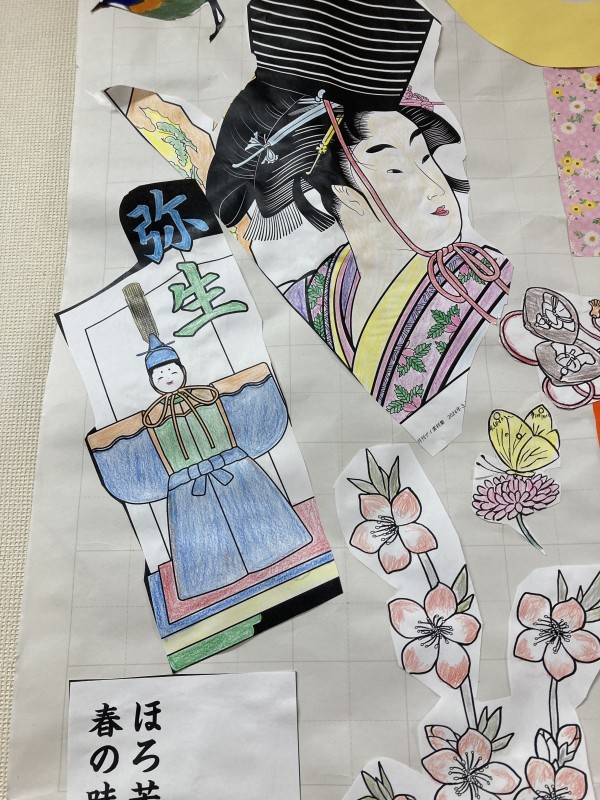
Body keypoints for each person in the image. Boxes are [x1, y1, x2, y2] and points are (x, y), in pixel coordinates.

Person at [88, 331, 313, 600]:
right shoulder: (153, 418)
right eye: (160, 375)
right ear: (152, 381)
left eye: (172, 370)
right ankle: (211, 579)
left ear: (182, 371)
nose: (168, 377)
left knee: (258, 519)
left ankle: (277, 549)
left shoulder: (207, 396)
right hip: (187, 486)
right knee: (202, 536)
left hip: (231, 467)